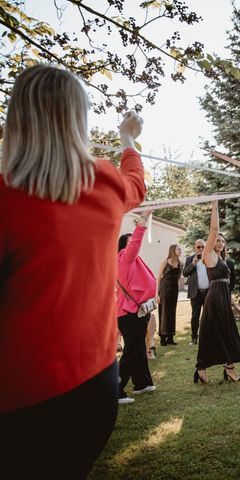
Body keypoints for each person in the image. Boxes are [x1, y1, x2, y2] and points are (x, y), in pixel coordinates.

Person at [0, 65, 145, 478]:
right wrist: (128, 139)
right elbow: (135, 181)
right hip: (97, 388)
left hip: (23, 399)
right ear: (77, 121)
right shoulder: (104, 183)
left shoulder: (6, 199)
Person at [194, 200, 240, 384]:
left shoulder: (224, 261)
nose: (220, 241)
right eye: (217, 240)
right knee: (221, 333)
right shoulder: (208, 255)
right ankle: (228, 368)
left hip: (223, 297)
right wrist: (214, 205)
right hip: (214, 297)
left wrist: (234, 304)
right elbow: (214, 229)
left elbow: (226, 284)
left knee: (217, 333)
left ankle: (206, 367)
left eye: (222, 240)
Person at [116, 213, 157, 403]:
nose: (135, 243)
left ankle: (142, 383)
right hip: (129, 313)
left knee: (138, 349)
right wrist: (143, 221)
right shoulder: (124, 258)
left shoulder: (131, 261)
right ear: (125, 246)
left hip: (139, 312)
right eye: (131, 241)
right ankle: (115, 391)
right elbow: (135, 243)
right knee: (131, 352)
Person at [182, 239, 208, 345]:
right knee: (195, 315)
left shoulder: (209, 258)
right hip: (195, 292)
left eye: (203, 247)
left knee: (207, 316)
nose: (201, 249)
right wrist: (193, 264)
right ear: (195, 248)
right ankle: (194, 337)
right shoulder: (189, 259)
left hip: (208, 292)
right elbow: (184, 273)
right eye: (199, 247)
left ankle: (207, 337)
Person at [157, 244, 182, 346]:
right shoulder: (165, 262)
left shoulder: (180, 264)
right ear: (173, 250)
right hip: (164, 290)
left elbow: (179, 278)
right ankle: (163, 337)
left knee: (172, 312)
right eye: (179, 249)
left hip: (174, 291)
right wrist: (156, 295)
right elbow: (158, 278)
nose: (181, 250)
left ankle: (170, 338)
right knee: (164, 312)